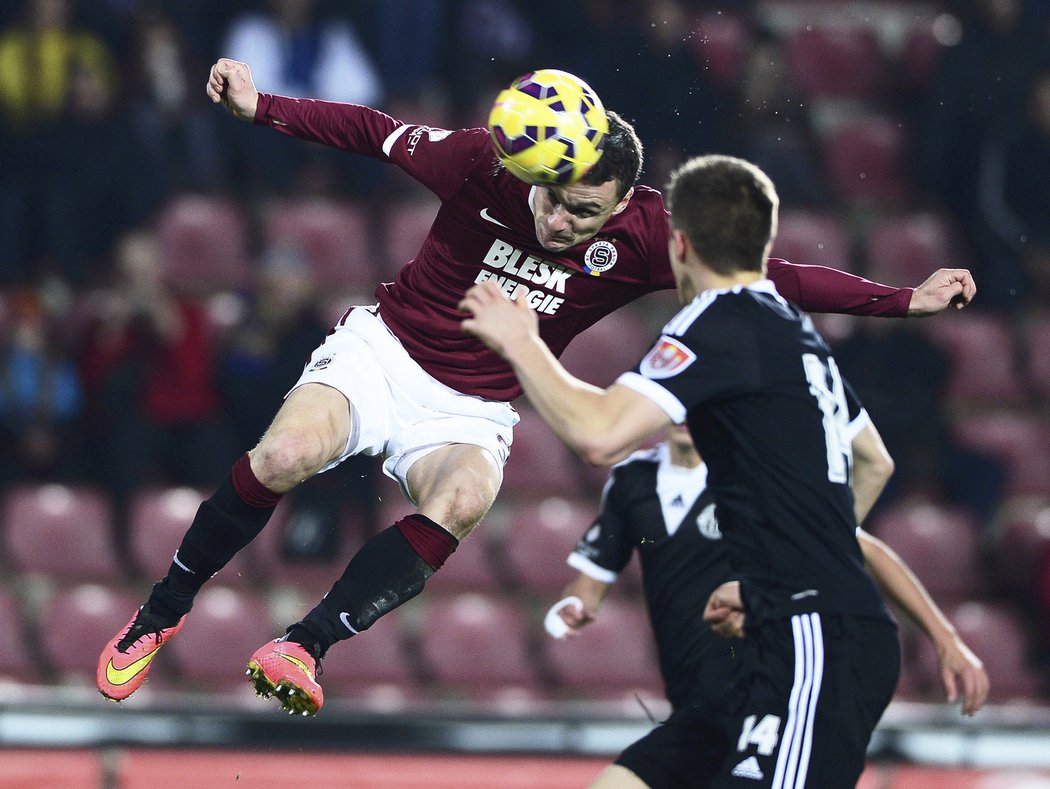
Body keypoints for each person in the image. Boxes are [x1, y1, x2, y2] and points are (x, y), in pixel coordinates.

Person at [96, 58, 975, 717]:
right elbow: (373, 130)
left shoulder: (654, 232)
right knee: (283, 453)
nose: (556, 218)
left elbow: (772, 275)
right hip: (387, 349)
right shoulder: (489, 162)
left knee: (466, 500)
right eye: (551, 199)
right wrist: (264, 109)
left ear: (624, 203)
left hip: (475, 404)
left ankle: (303, 646)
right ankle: (160, 612)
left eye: (578, 212)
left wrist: (903, 299)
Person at [460, 153, 952, 786]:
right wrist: (772, 576)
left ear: (680, 243)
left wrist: (522, 341)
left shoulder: (715, 324)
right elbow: (873, 462)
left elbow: (599, 436)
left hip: (810, 635)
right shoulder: (790, 328)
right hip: (802, 630)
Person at [547, 424, 988, 788]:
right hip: (696, 701)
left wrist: (945, 638)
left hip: (767, 688)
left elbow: (860, 548)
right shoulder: (632, 479)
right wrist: (575, 605)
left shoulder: (752, 477)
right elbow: (593, 577)